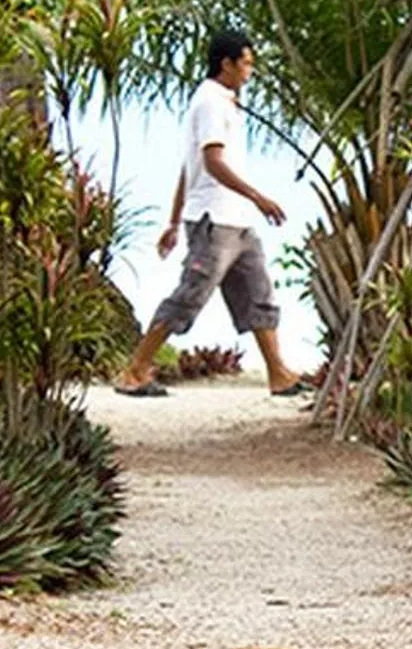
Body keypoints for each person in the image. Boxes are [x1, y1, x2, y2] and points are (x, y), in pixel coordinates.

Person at [113, 30, 313, 399]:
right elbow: (211, 163)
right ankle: (135, 371)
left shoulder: (225, 103)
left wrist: (173, 222)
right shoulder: (209, 102)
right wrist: (258, 197)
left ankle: (279, 374)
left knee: (259, 294)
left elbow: (188, 169)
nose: (250, 72)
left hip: (237, 222)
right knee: (190, 296)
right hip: (214, 222)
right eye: (246, 64)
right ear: (227, 64)